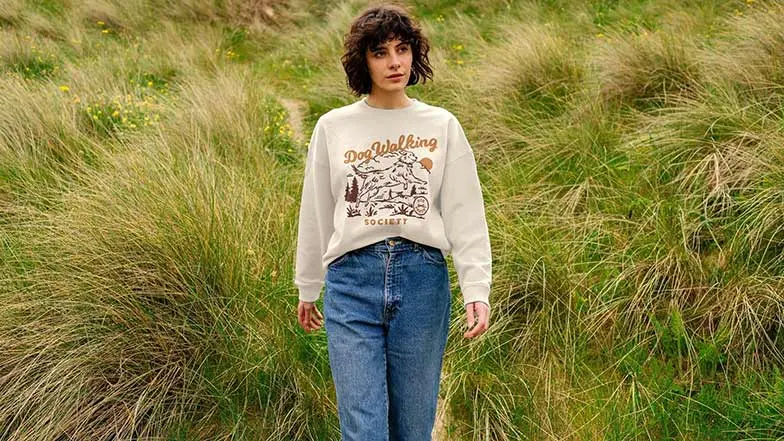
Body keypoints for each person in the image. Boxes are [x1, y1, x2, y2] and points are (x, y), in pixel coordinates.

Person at [293, 3, 492, 440]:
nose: (394, 62)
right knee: (364, 430)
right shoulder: (333, 127)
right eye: (380, 52)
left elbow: (465, 211)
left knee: (412, 429)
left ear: (414, 54)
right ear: (363, 61)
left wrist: (476, 288)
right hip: (351, 281)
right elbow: (317, 212)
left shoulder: (441, 124)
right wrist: (309, 286)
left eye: (402, 49)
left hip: (422, 280)